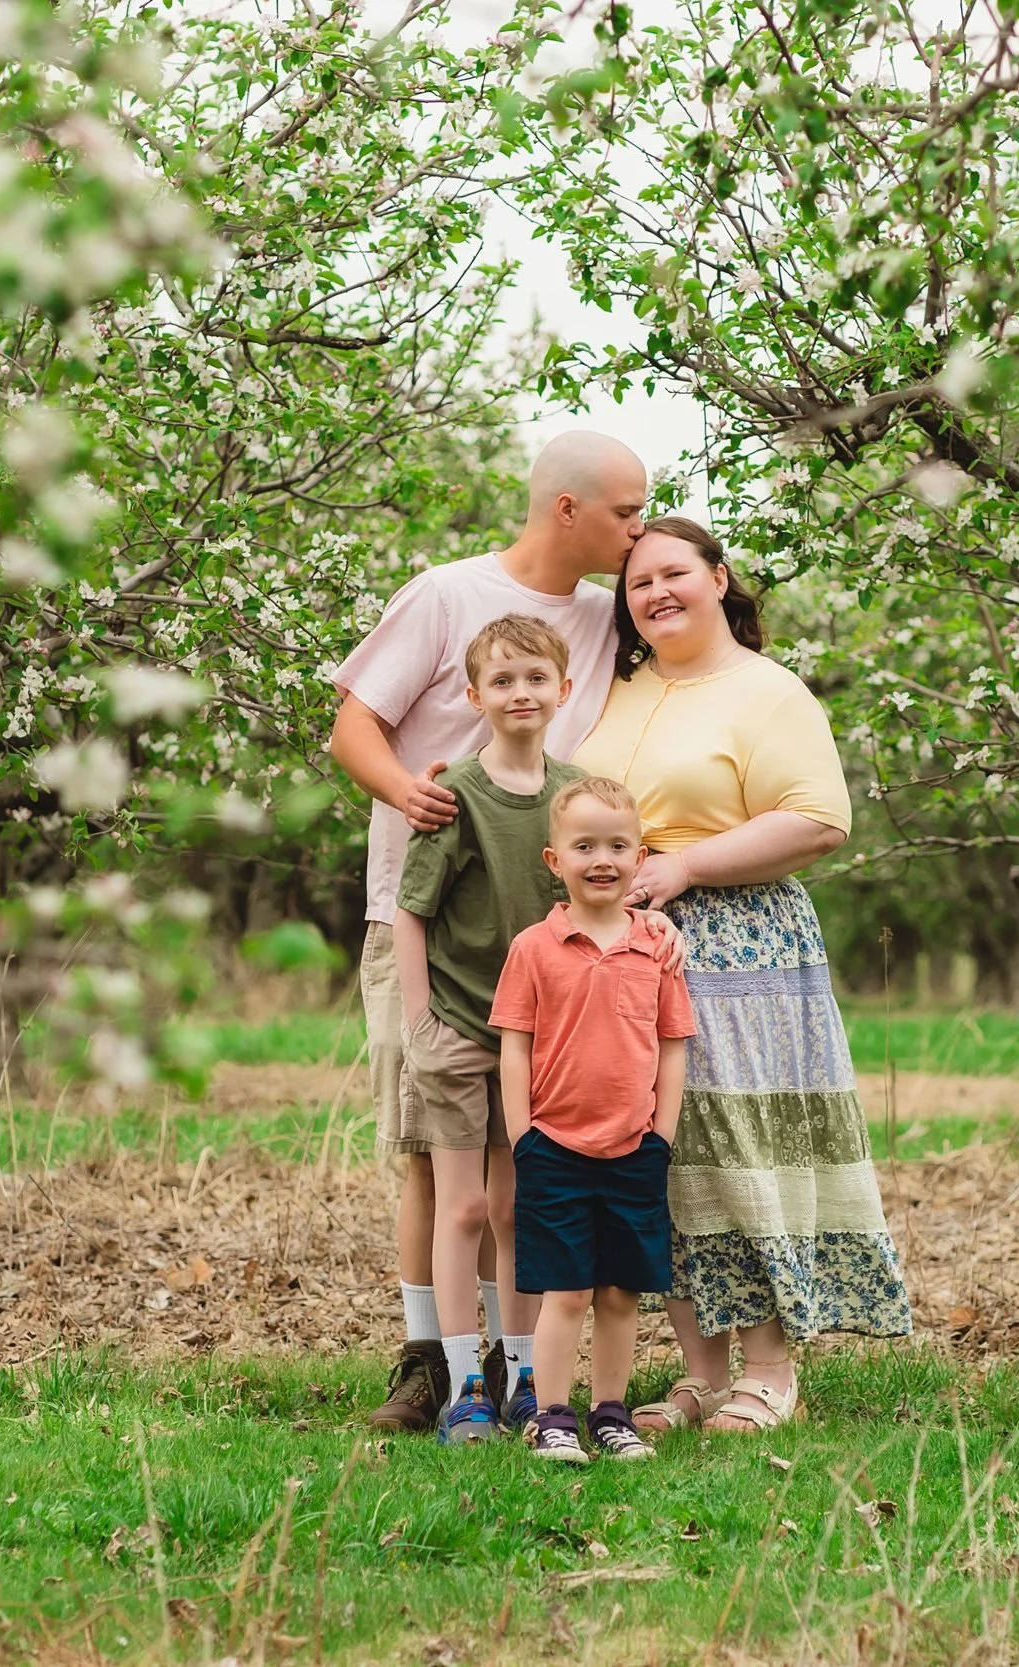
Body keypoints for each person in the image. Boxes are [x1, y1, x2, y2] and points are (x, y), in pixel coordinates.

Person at [328, 431, 644, 1434]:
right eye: (625, 512)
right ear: (567, 509)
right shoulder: (445, 595)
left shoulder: (604, 618)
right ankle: (428, 1359)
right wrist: (406, 795)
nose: (637, 532)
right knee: (431, 1157)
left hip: (540, 943)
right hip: (422, 921)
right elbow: (352, 724)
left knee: (523, 1170)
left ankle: (510, 1369)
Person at [572, 515, 912, 1435]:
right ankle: (699, 1371)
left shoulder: (768, 692)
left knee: (739, 1148)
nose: (655, 594)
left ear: (720, 579)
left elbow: (819, 817)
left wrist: (685, 866)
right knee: (662, 1157)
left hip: (738, 944)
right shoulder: (619, 690)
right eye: (638, 583)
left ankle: (770, 1369)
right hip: (623, 946)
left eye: (674, 572)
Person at [392, 615, 589, 1443]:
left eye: (535, 678)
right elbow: (411, 913)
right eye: (501, 681)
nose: (520, 693)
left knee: (516, 1207)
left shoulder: (572, 796)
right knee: (463, 1206)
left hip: (533, 1040)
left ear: (562, 691)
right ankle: (464, 1378)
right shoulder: (454, 796)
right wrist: (419, 1023)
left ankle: (523, 1374)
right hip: (459, 1028)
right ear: (474, 696)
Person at [492, 776, 694, 1464]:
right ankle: (553, 1416)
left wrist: (661, 1133)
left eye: (616, 844)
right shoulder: (534, 947)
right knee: (568, 1289)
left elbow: (672, 1045)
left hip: (636, 1148)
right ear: (554, 859)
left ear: (641, 857)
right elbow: (514, 1043)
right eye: (584, 845)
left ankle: (611, 1412)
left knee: (619, 1290)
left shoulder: (658, 949)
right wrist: (524, 1135)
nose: (601, 858)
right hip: (555, 1147)